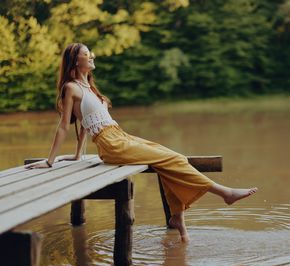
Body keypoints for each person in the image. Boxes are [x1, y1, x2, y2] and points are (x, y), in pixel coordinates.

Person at [26, 43, 258, 242]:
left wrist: (78, 155)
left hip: (120, 136)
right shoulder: (71, 88)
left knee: (172, 157)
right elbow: (65, 125)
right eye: (87, 53)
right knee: (168, 158)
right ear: (75, 60)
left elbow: (86, 125)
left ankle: (177, 218)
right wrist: (50, 161)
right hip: (111, 145)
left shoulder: (89, 87)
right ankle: (224, 193)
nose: (92, 55)